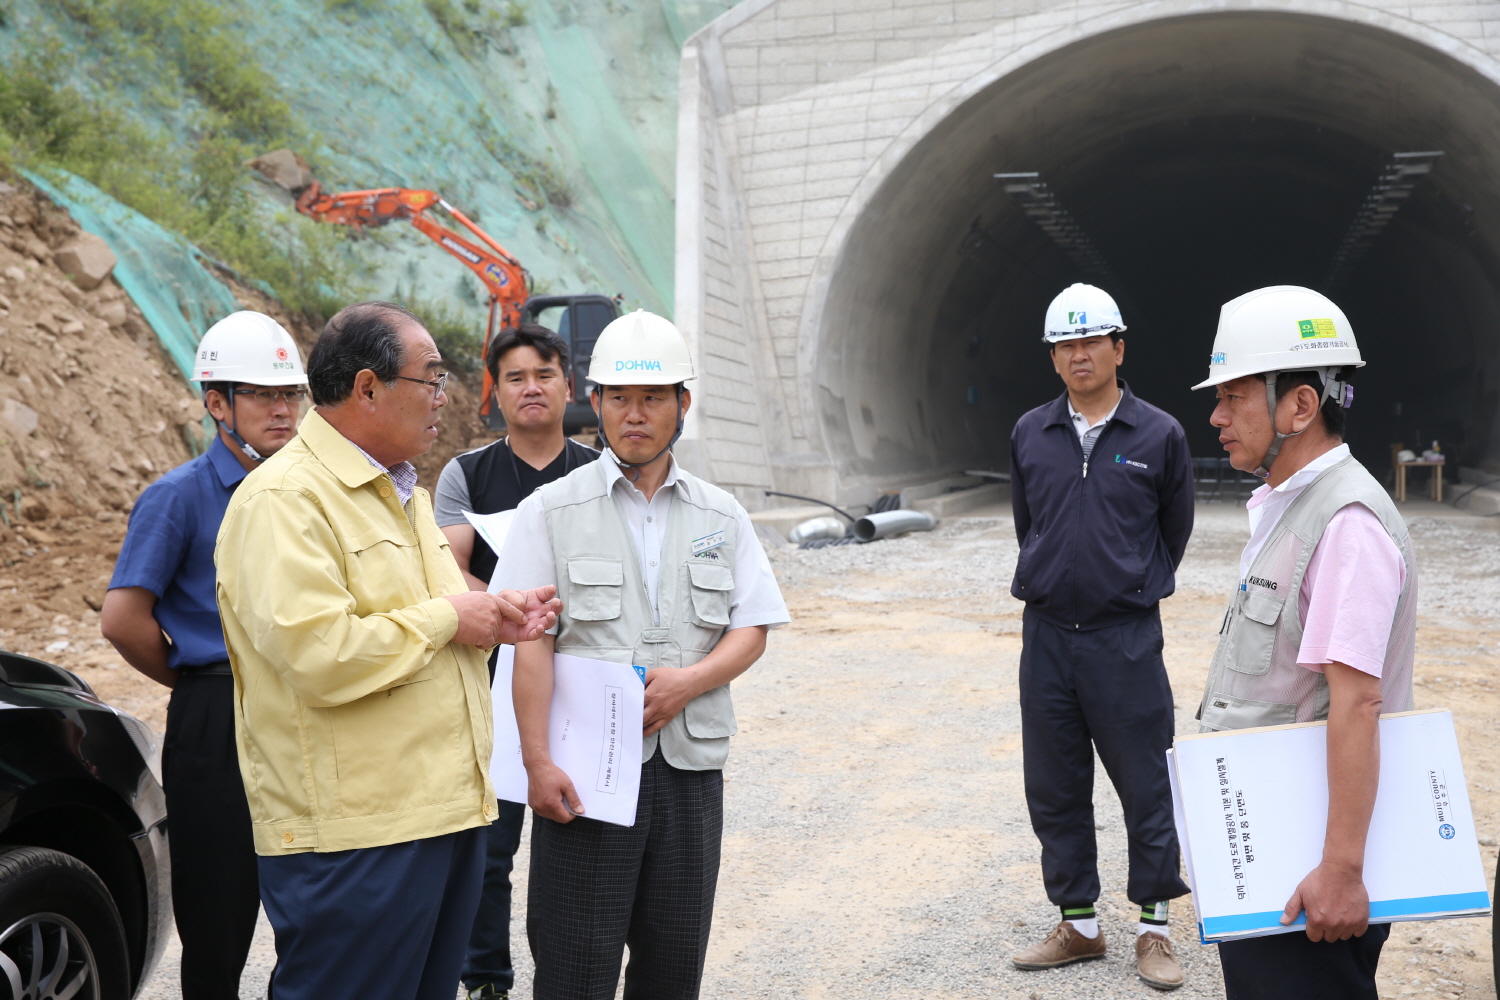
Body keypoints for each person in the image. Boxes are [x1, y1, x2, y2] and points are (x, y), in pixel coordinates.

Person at [214, 301, 561, 1000]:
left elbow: (437, 620)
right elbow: (320, 654)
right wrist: (448, 619)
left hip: (442, 816)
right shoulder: (284, 501)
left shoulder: (403, 494)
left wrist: (494, 616)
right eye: (431, 380)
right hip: (358, 838)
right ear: (369, 387)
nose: (444, 399)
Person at [498, 309, 789, 1000]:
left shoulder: (722, 516)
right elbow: (528, 644)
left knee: (672, 964)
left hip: (688, 774)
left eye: (653, 397)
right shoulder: (549, 512)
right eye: (620, 398)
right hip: (584, 776)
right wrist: (538, 763)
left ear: (682, 404)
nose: (636, 414)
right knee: (575, 968)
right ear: (593, 403)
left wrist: (691, 682)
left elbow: (752, 625)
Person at [1192, 286, 1414, 999]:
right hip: (1272, 846)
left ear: (1300, 405)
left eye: (1233, 396)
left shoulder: (1347, 525)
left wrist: (1342, 871)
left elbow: (1357, 703)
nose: (1216, 416)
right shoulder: (1289, 508)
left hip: (1309, 865)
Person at [100, 310, 304, 1000]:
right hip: (216, 717)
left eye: (291, 395)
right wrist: (200, 677)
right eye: (263, 395)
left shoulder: (307, 494)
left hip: (304, 708)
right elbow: (124, 619)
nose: (282, 410)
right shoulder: (179, 497)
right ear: (217, 403)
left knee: (310, 909)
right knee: (217, 919)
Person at [1008, 283, 1195, 991]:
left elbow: (1172, 532)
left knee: (1147, 785)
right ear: (1053, 357)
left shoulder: (1159, 435)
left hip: (1125, 639)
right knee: (1054, 786)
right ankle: (1079, 925)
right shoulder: (1031, 431)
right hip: (1049, 636)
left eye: (1092, 341)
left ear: (1119, 348)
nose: (1078, 353)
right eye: (1065, 343)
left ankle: (1153, 929)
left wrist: (1129, 582)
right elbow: (1030, 524)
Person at [433, 323, 597, 1000]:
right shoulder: (466, 474)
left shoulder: (599, 471)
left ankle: (576, 975)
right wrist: (508, 611)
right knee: (489, 846)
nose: (531, 388)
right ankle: (487, 978)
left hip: (580, 677)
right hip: (488, 677)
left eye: (544, 374)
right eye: (516, 378)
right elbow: (446, 569)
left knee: (581, 835)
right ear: (493, 393)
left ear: (569, 385)